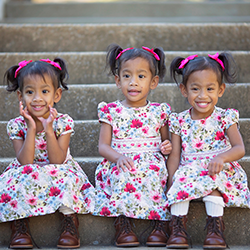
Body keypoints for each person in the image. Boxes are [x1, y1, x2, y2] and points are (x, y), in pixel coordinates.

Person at [1, 58, 95, 249]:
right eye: (29, 92)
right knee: (15, 179)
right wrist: (31, 129)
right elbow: (25, 161)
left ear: (57, 94)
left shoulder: (63, 122)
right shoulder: (17, 125)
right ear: (20, 96)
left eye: (44, 91)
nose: (37, 98)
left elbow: (58, 160)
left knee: (67, 178)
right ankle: (20, 224)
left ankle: (69, 222)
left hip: (58, 167)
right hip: (28, 168)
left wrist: (49, 129)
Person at [164, 52, 250, 249]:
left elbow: (239, 148)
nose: (202, 96)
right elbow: (175, 155)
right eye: (195, 89)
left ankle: (215, 229)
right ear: (183, 90)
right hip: (189, 169)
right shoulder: (179, 120)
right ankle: (178, 229)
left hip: (217, 167)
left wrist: (222, 157)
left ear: (220, 90)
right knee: (180, 185)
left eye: (210, 89)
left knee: (214, 183)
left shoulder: (225, 117)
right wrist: (171, 181)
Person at [93, 44, 172, 247]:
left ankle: (159, 223)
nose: (133, 83)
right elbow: (103, 146)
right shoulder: (111, 111)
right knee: (122, 175)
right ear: (118, 81)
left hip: (150, 160)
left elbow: (166, 141)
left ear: (153, 82)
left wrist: (166, 147)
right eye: (127, 76)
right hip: (121, 160)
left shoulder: (159, 111)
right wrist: (117, 157)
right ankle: (123, 223)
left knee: (156, 175)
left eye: (141, 76)